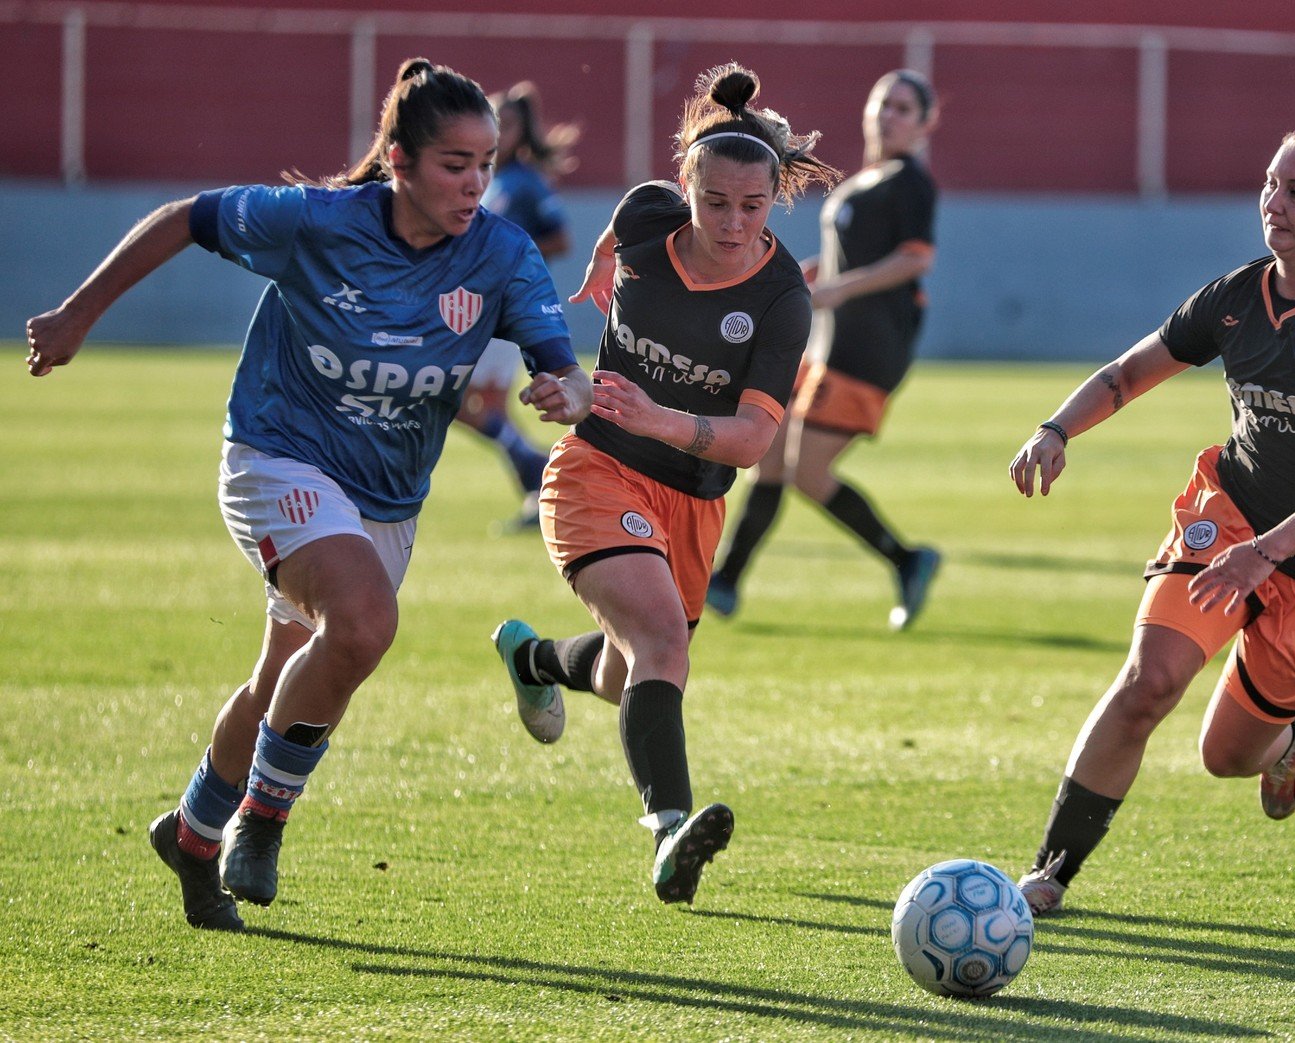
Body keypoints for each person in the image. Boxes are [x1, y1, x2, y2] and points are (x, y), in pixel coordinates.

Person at [23, 58, 592, 931]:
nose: (475, 182)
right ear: (397, 160)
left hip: (387, 496)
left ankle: (194, 832)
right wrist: (76, 315)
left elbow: (563, 363)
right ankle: (264, 816)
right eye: (453, 163)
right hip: (275, 456)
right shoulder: (315, 222)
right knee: (363, 622)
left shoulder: (500, 252)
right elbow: (185, 219)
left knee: (278, 681)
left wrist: (566, 389)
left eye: (484, 163)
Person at [1006, 100, 1295, 915]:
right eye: (1268, 185)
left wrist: (1267, 554)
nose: (1273, 203)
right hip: (1227, 512)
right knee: (1149, 680)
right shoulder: (1233, 297)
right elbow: (1128, 372)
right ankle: (1049, 870)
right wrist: (1056, 428)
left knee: (1225, 757)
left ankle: (1290, 732)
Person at [490, 62, 839, 904]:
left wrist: (665, 420)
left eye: (753, 206)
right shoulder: (647, 219)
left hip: (693, 498)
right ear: (686, 189)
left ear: (773, 201)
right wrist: (606, 272)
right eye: (714, 202)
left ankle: (533, 657)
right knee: (663, 647)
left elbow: (755, 438)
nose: (732, 221)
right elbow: (622, 228)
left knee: (627, 671)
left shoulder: (780, 298)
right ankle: (669, 828)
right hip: (596, 467)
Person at [706, 69, 942, 631]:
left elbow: (915, 258)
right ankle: (725, 582)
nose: (889, 115)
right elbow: (855, 260)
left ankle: (907, 558)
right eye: (883, 103)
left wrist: (838, 288)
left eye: (905, 108)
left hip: (868, 346)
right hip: (829, 342)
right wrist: (819, 274)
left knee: (807, 470)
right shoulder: (866, 180)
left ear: (926, 123)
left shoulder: (910, 181)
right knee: (768, 450)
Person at [460, 81, 583, 532]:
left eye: (507, 124)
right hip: (480, 308)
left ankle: (542, 469)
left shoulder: (526, 182)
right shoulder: (493, 180)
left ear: (522, 130)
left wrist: (512, 256)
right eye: (494, 123)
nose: (499, 132)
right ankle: (541, 490)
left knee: (452, 398)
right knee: (485, 407)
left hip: (501, 310)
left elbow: (563, 238)